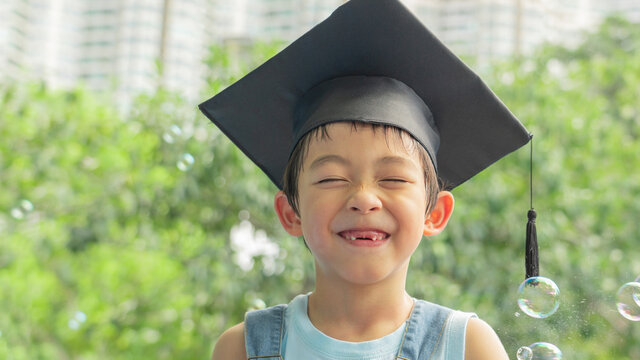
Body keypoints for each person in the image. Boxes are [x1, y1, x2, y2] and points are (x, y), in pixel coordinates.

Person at [199, 0, 531, 359]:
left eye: (392, 178)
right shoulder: (243, 347)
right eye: (331, 179)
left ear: (434, 213)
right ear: (290, 212)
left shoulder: (466, 346)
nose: (364, 198)